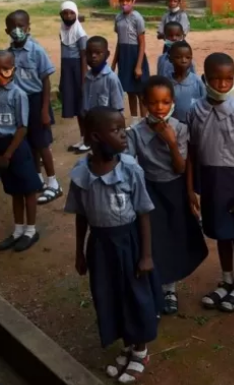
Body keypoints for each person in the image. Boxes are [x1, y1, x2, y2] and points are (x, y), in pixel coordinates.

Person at [65, 107, 161, 384]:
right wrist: (80, 253)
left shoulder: (130, 169)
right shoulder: (82, 173)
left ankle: (141, 352)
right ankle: (129, 346)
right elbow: (81, 216)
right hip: (101, 246)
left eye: (124, 128)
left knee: (135, 295)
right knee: (110, 295)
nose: (124, 134)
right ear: (95, 136)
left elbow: (144, 212)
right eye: (116, 130)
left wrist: (145, 255)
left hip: (128, 243)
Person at [128, 76, 208, 315]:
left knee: (174, 238)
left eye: (165, 102)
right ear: (144, 103)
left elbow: (181, 168)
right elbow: (130, 164)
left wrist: (172, 143)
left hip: (174, 190)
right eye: (153, 103)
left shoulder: (180, 128)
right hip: (149, 191)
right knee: (153, 240)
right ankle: (155, 288)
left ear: (172, 102)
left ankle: (170, 290)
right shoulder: (135, 133)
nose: (159, 108)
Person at [187, 53, 234, 313]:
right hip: (209, 180)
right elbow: (192, 152)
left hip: (233, 181)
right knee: (220, 232)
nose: (223, 84)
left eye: (229, 79)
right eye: (217, 79)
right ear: (205, 78)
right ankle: (226, 280)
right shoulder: (196, 110)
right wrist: (190, 188)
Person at [0, 50, 43, 252]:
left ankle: (31, 231)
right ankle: (17, 230)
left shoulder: (18, 94)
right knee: (14, 191)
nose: (1, 73)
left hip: (15, 147)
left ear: (13, 69)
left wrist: (7, 154)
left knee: (28, 190)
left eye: (6, 69)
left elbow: (22, 128)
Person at [6, 10, 62, 205]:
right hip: (19, 103)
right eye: (12, 27)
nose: (17, 30)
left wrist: (45, 109)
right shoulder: (9, 54)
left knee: (42, 144)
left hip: (37, 101)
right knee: (29, 144)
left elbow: (45, 80)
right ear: (6, 30)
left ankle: (53, 183)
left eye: (20, 26)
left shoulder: (36, 50)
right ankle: (37, 179)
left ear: (28, 27)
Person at [112, 0, 148, 122]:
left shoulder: (137, 18)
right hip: (124, 57)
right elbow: (119, 41)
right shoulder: (118, 18)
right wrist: (114, 63)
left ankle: (144, 121)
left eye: (127, 0)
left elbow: (142, 43)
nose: (124, 3)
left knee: (140, 92)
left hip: (135, 56)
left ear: (133, 1)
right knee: (130, 91)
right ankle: (134, 121)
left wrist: (138, 66)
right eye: (122, 0)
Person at [58, 1, 88, 153]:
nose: (68, 16)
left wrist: (83, 79)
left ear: (76, 14)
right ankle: (83, 137)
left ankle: (89, 140)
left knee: (83, 107)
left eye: (71, 13)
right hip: (67, 69)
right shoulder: (62, 31)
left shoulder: (80, 33)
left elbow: (84, 57)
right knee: (76, 106)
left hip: (78, 70)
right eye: (65, 13)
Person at [82, 36, 124, 123]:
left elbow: (118, 109)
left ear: (107, 54)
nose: (93, 56)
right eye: (90, 53)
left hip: (107, 126)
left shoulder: (111, 79)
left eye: (98, 53)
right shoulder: (87, 78)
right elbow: (85, 107)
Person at [166, 41, 205, 123]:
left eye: (188, 57)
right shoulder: (165, 82)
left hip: (193, 124)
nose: (184, 60)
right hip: (171, 124)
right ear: (170, 59)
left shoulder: (198, 82)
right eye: (178, 57)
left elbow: (205, 106)